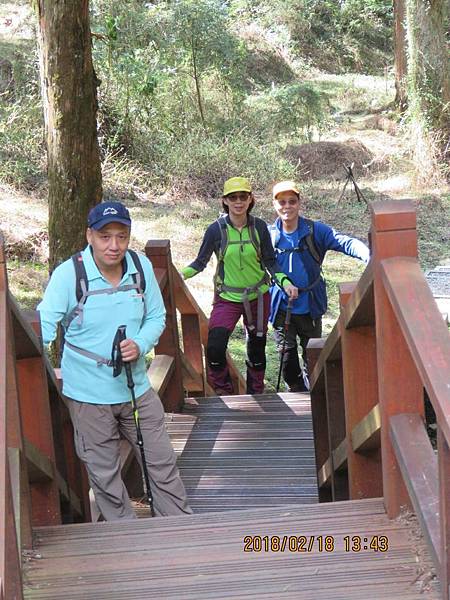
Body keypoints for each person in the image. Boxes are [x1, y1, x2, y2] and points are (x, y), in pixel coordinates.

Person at [37, 200, 192, 520]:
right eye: (105, 237)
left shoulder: (140, 267)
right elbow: (42, 327)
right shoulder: (70, 275)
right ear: (89, 236)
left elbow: (156, 316)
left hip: (136, 387)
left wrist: (140, 342)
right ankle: (125, 539)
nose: (114, 245)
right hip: (88, 394)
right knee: (104, 474)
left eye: (122, 236)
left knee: (161, 462)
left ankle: (180, 527)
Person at [181, 177, 297, 396]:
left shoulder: (259, 227)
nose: (238, 201)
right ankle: (224, 393)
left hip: (258, 296)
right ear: (225, 200)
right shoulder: (215, 230)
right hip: (227, 298)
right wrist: (180, 275)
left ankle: (256, 393)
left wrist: (285, 283)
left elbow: (270, 262)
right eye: (233, 197)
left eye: (243, 197)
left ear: (250, 199)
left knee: (257, 346)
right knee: (215, 347)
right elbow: (200, 263)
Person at [269, 180, 370, 392]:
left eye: (292, 201)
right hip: (280, 307)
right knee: (286, 359)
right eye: (282, 202)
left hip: (310, 306)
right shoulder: (269, 236)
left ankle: (314, 396)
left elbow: (344, 242)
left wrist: (369, 256)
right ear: (274, 204)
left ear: (299, 203)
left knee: (313, 356)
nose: (287, 206)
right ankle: (296, 392)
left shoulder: (315, 231)